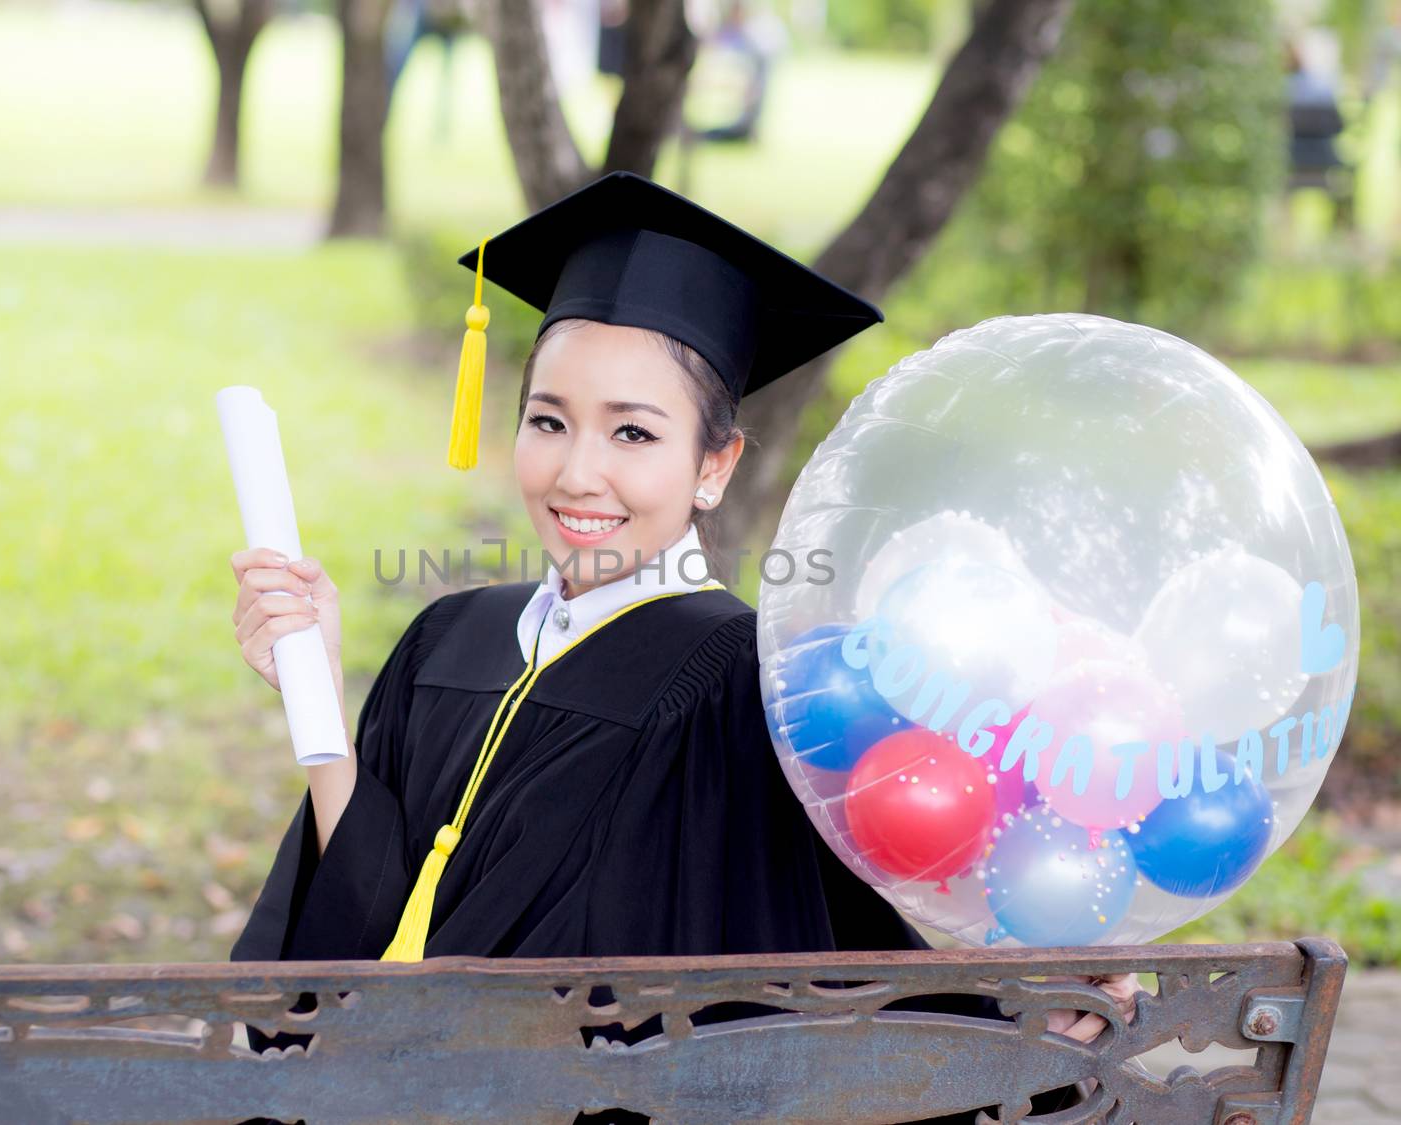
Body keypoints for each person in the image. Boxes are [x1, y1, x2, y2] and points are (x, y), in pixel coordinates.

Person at [227, 171, 1138, 1123]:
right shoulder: (446, 638)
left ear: (715, 464)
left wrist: (1012, 1018)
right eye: (548, 420)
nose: (578, 471)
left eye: (633, 431)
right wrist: (317, 696)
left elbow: (805, 971)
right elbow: (361, 935)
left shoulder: (739, 682)